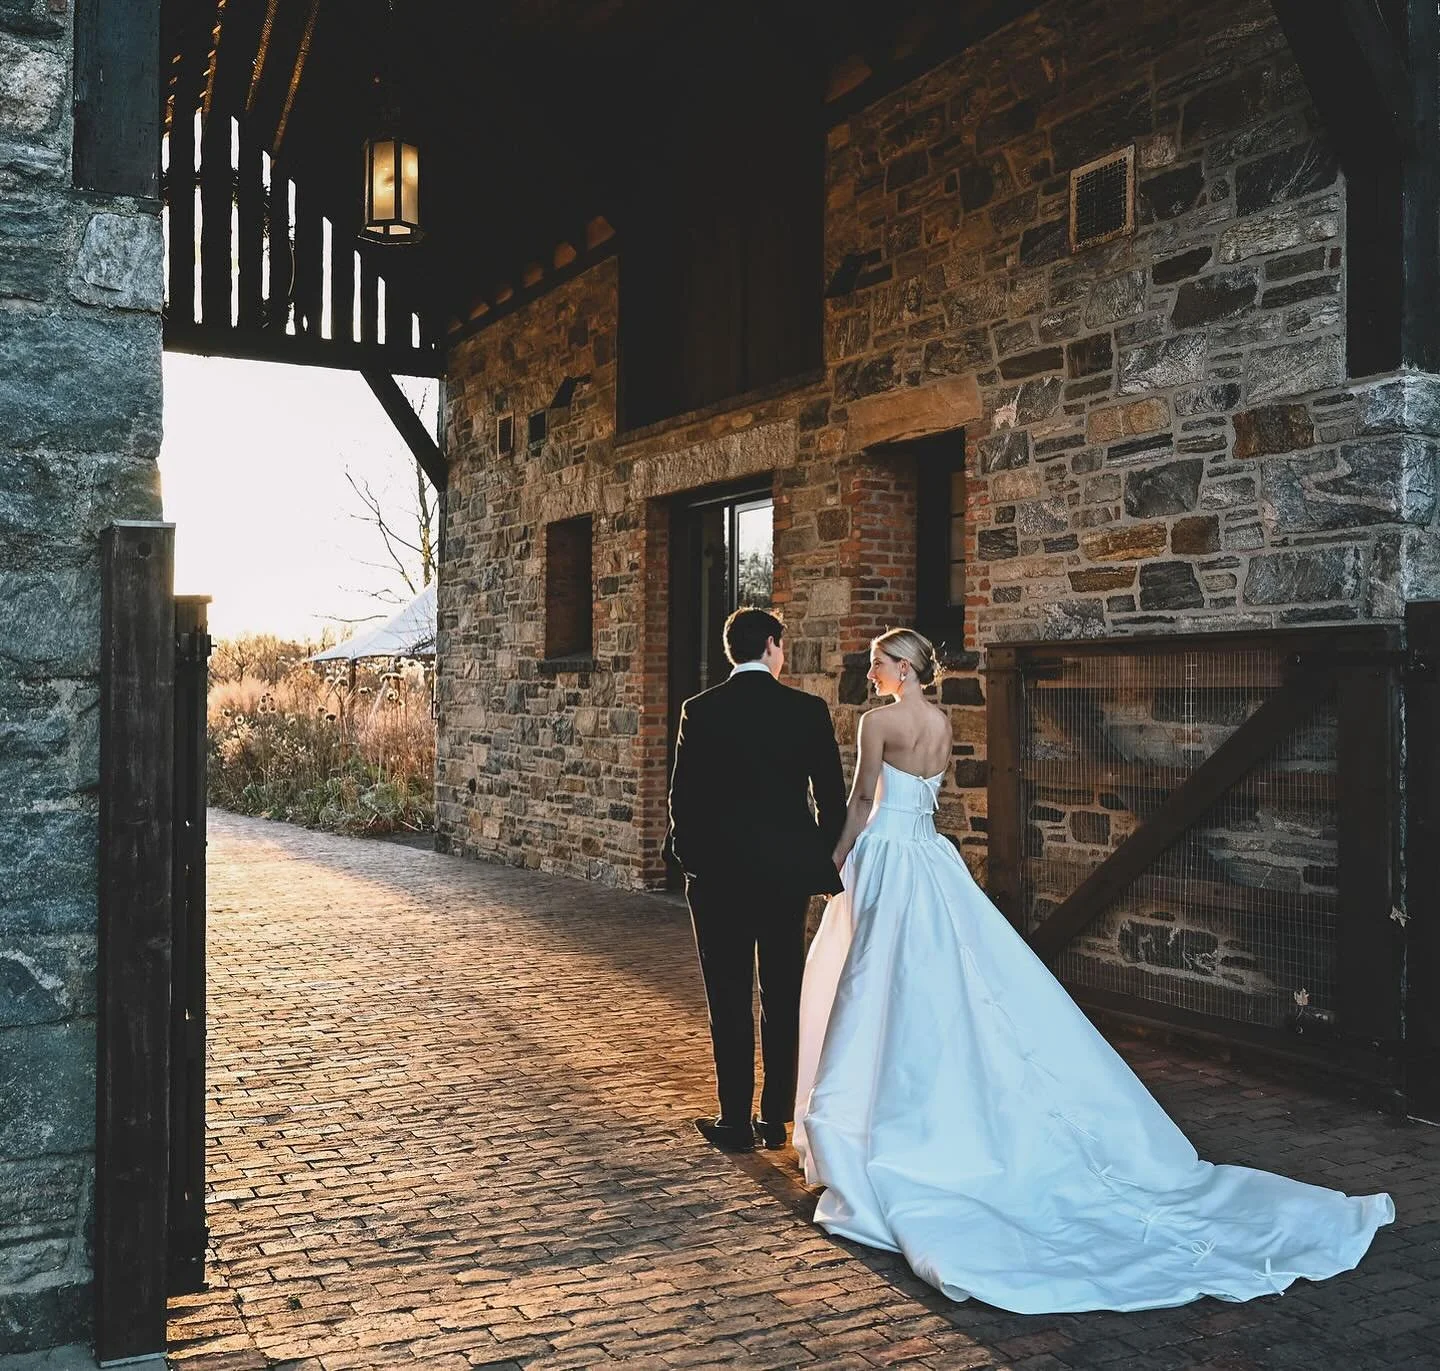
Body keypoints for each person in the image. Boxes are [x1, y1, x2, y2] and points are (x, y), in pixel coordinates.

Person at [793, 626, 1394, 1313]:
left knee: (882, 987)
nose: (870, 670)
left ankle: (882, 1121)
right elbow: (929, 796)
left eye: (878, 661)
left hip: (890, 857)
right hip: (931, 856)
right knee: (940, 983)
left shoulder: (878, 722)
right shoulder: (942, 722)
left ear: (902, 666)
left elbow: (863, 802)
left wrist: (836, 858)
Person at [669, 607, 847, 1153]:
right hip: (784, 877)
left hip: (717, 877)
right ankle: (775, 1119)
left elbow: (683, 798)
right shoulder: (806, 710)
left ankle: (734, 1121)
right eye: (782, 645)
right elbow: (832, 801)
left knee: (727, 998)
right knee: (781, 993)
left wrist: (691, 860)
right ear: (771, 645)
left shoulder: (700, 710)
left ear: (733, 650)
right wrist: (817, 860)